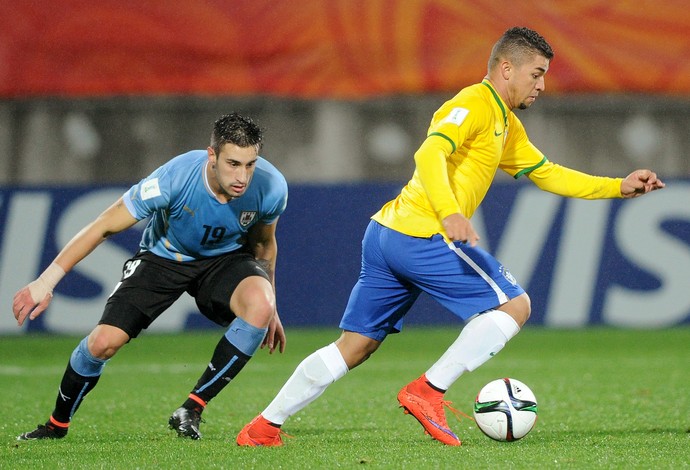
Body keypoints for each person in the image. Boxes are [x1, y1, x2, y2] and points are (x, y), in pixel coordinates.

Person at [235, 26, 665, 447]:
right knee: (514, 305)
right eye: (536, 74)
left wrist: (616, 186)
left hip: (387, 232)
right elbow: (429, 151)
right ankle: (428, 390)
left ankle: (263, 426)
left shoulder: (505, 122)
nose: (542, 85)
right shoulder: (475, 102)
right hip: (423, 235)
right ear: (505, 68)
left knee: (355, 345)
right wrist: (451, 212)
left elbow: (547, 173)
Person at [13, 112, 288, 441]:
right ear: (211, 155)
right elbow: (104, 225)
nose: (242, 176)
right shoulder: (174, 178)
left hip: (224, 260)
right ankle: (56, 424)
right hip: (163, 257)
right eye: (232, 163)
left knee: (260, 304)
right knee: (103, 343)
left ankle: (192, 407)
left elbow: (262, 244)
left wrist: (271, 304)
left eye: (250, 164)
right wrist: (46, 281)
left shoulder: (271, 187)